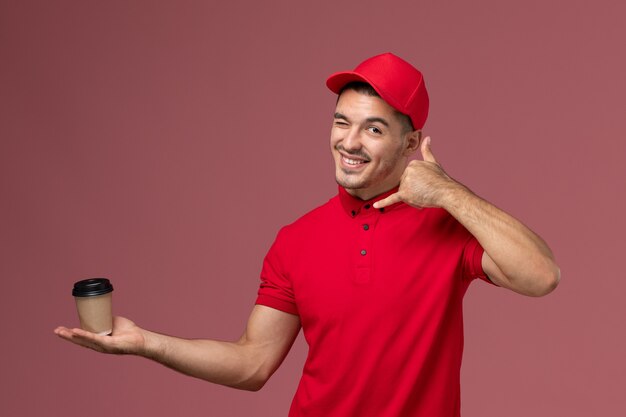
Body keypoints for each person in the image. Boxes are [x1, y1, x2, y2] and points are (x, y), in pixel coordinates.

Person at [55, 52, 560, 416]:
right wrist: (147, 343)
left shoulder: (448, 226)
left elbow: (541, 276)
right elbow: (252, 364)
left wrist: (450, 192)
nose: (350, 142)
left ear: (411, 143)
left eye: (373, 129)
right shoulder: (296, 239)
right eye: (342, 123)